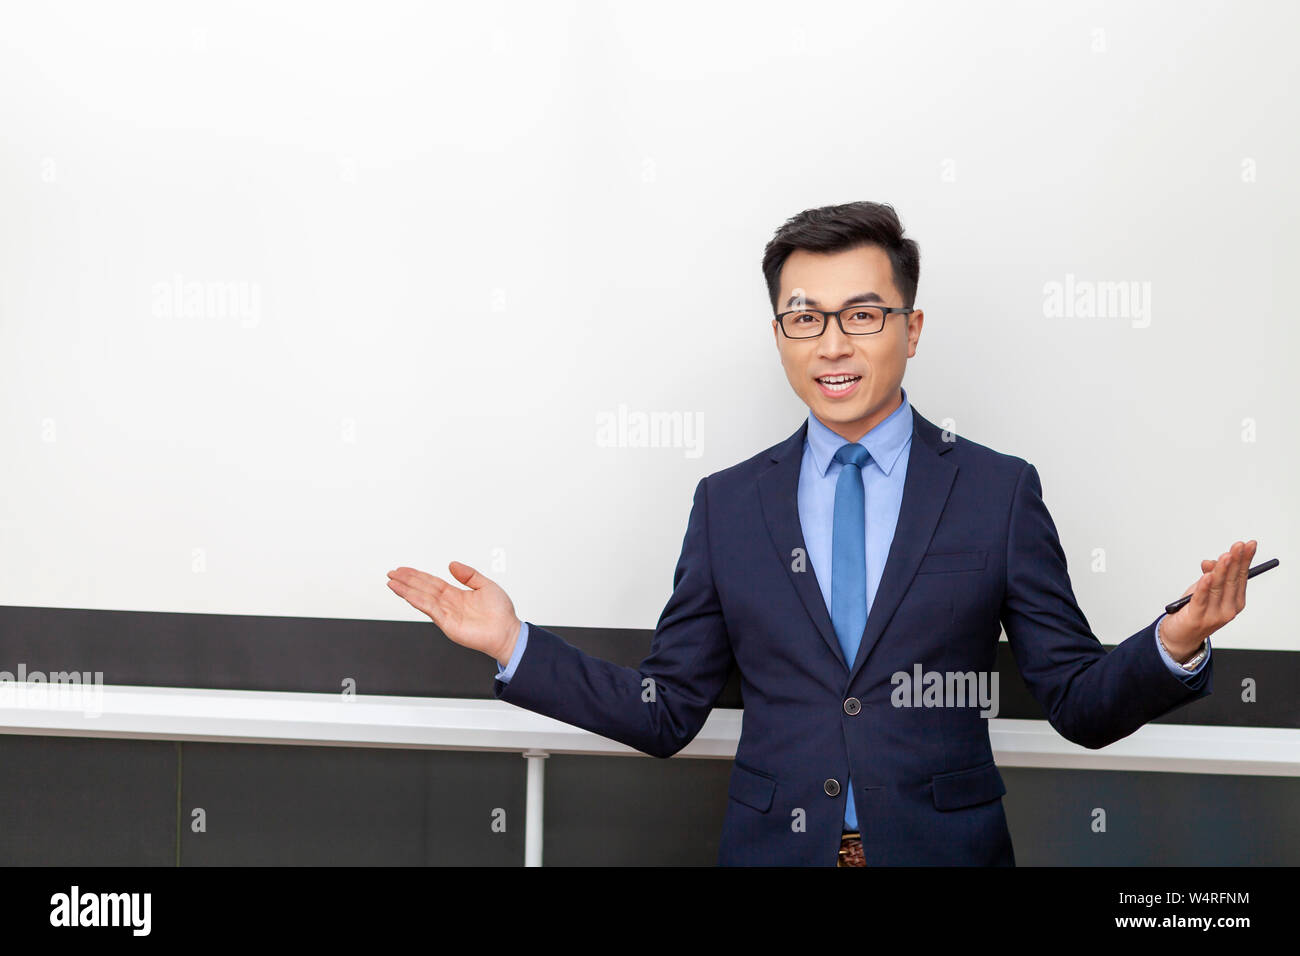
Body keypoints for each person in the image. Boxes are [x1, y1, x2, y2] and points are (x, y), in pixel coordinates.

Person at [387, 201, 1256, 866]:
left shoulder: (996, 491)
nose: (832, 342)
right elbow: (667, 713)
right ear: (779, 335)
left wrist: (1173, 643)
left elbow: (1076, 702)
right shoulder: (728, 504)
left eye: (863, 314)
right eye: (805, 317)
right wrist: (514, 644)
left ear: (911, 331)